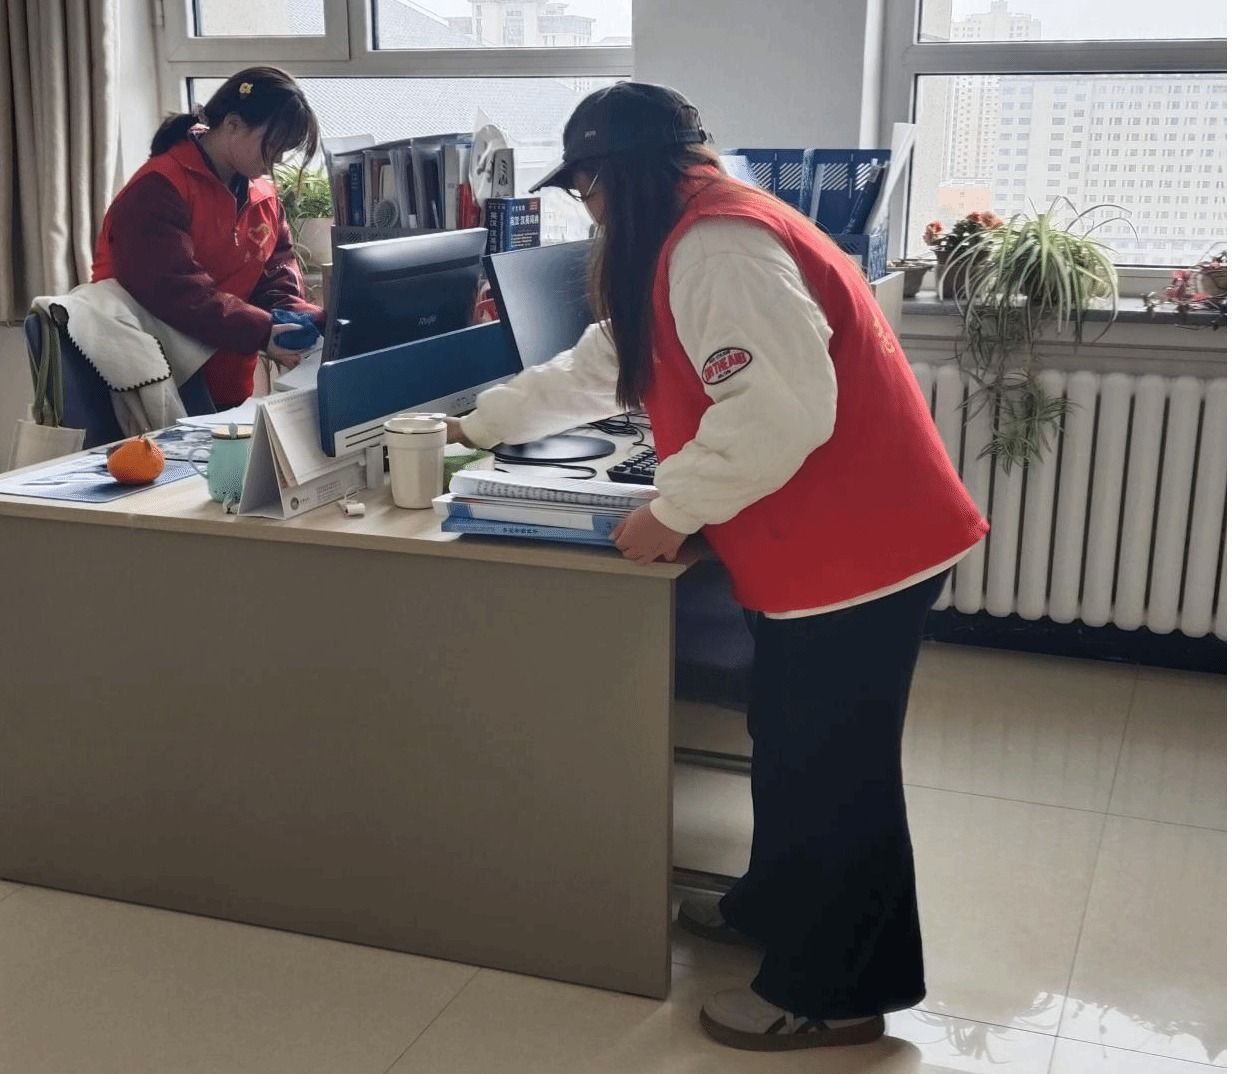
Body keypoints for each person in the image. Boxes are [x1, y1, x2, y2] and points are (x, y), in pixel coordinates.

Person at [448, 82, 989, 1051]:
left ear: (624, 175)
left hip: (858, 548)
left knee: (835, 772)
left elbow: (779, 412)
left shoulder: (718, 247)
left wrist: (671, 510)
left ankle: (833, 992)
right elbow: (603, 365)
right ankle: (771, 907)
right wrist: (475, 427)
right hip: (836, 542)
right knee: (786, 739)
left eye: (589, 189)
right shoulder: (691, 235)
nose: (589, 211)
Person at [91, 66, 323, 409]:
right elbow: (174, 290)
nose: (277, 160)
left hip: (225, 382)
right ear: (232, 125)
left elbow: (275, 277)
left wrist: (304, 320)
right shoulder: (158, 188)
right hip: (148, 382)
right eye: (273, 146)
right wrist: (261, 331)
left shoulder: (263, 196)